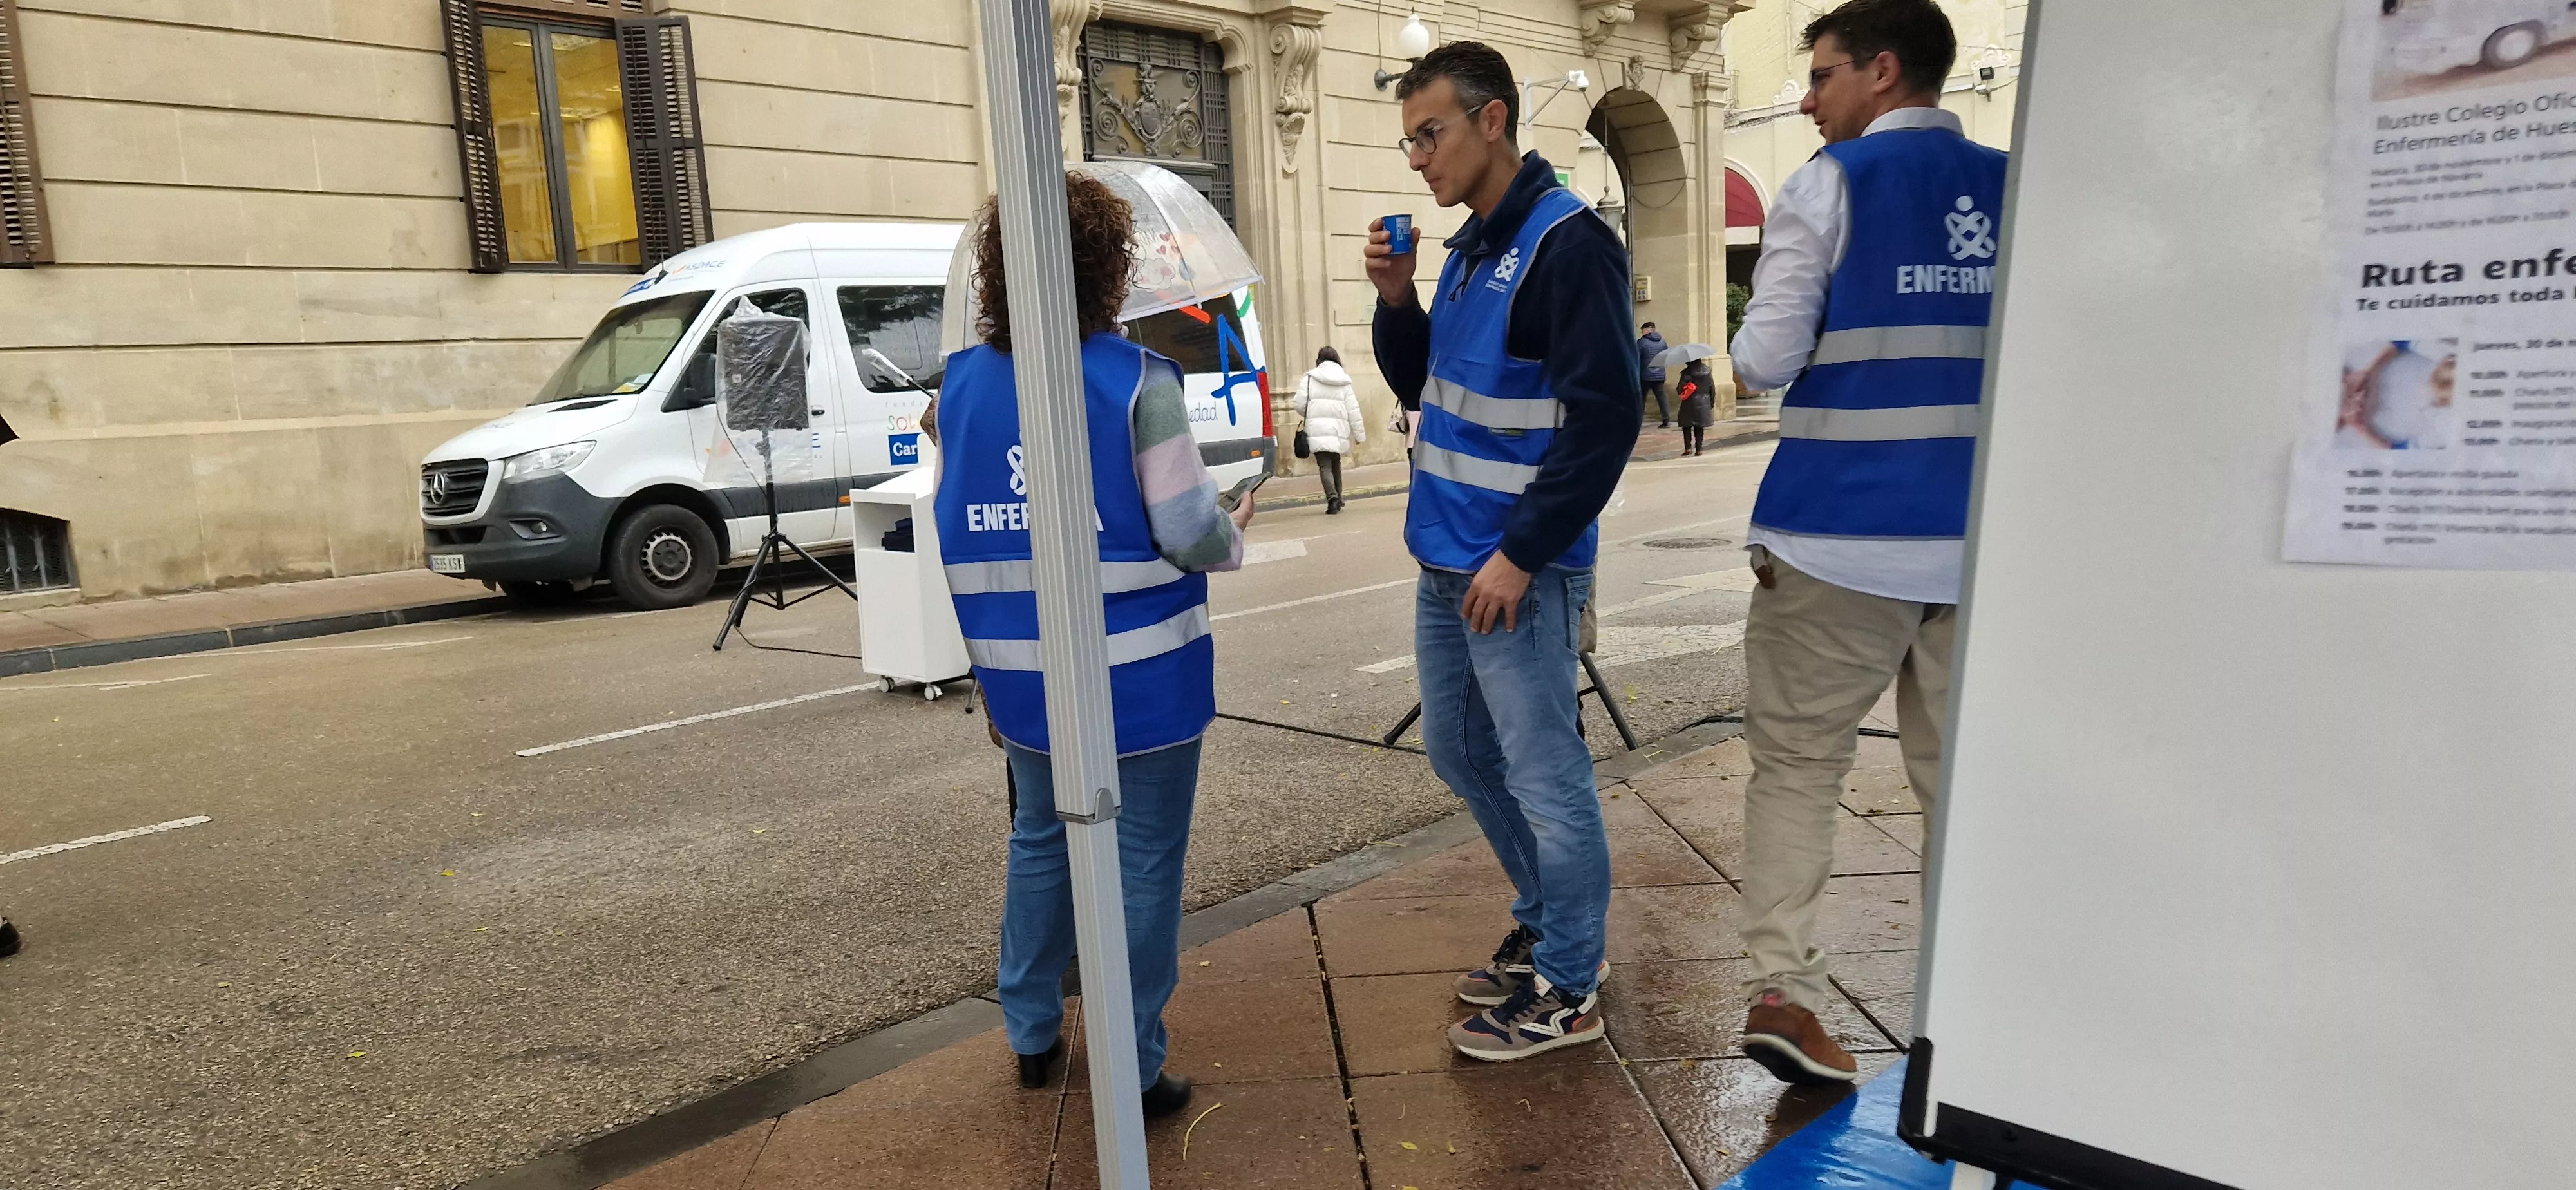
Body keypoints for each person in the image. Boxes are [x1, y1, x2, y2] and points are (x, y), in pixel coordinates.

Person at [933, 173, 1256, 1116]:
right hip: (1145, 680)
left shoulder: (958, 388)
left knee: (1040, 841)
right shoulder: (1139, 383)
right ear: (1105, 273)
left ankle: (1031, 1032)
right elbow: (1189, 533)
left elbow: (968, 527)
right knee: (1143, 861)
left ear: (999, 273)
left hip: (1023, 681)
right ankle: (1133, 1059)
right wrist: (1234, 523)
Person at [1726, 0, 2005, 1086]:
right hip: (1981, 549)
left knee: (1797, 771)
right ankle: (1975, 1014)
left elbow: (1764, 357)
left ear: (1883, 73)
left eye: (1824, 75)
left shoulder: (1827, 185)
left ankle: (1788, 996)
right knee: (1965, 786)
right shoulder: (2021, 182)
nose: (1808, 97)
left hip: (1836, 538)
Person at [1368, 40, 1640, 1061]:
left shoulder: (1570, 245)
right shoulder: (1476, 243)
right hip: (1450, 557)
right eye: (1409, 142)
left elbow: (1604, 422)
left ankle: (1571, 984)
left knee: (1545, 771)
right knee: (1460, 750)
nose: (1418, 161)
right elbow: (1424, 386)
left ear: (1492, 121)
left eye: (1429, 134)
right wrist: (1399, 300)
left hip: (1512, 570)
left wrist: (1524, 554)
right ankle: (1549, 920)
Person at [1294, 345, 1365, 513]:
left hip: (1317, 428)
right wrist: (1359, 435)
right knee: (1336, 462)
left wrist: (1311, 412)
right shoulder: (1344, 381)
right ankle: (1339, 498)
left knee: (1324, 465)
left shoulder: (1309, 379)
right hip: (1338, 430)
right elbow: (1353, 410)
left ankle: (1332, 498)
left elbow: (1299, 405)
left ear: (1319, 360)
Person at [1674, 358, 1717, 455]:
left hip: (1689, 403)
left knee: (1686, 425)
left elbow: (1679, 389)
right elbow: (1712, 389)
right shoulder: (1707, 372)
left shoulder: (1687, 373)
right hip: (1704, 402)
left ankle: (1688, 448)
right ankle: (1699, 449)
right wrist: (1711, 403)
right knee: (1699, 427)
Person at [1638, 322, 1672, 428]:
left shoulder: (1641, 342)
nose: (1642, 333)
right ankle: (1666, 420)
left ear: (1648, 330)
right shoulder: (1663, 342)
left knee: (1641, 399)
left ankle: (1638, 420)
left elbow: (1636, 358)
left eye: (1643, 331)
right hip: (1660, 375)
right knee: (1662, 398)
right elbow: (1666, 356)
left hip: (1645, 376)